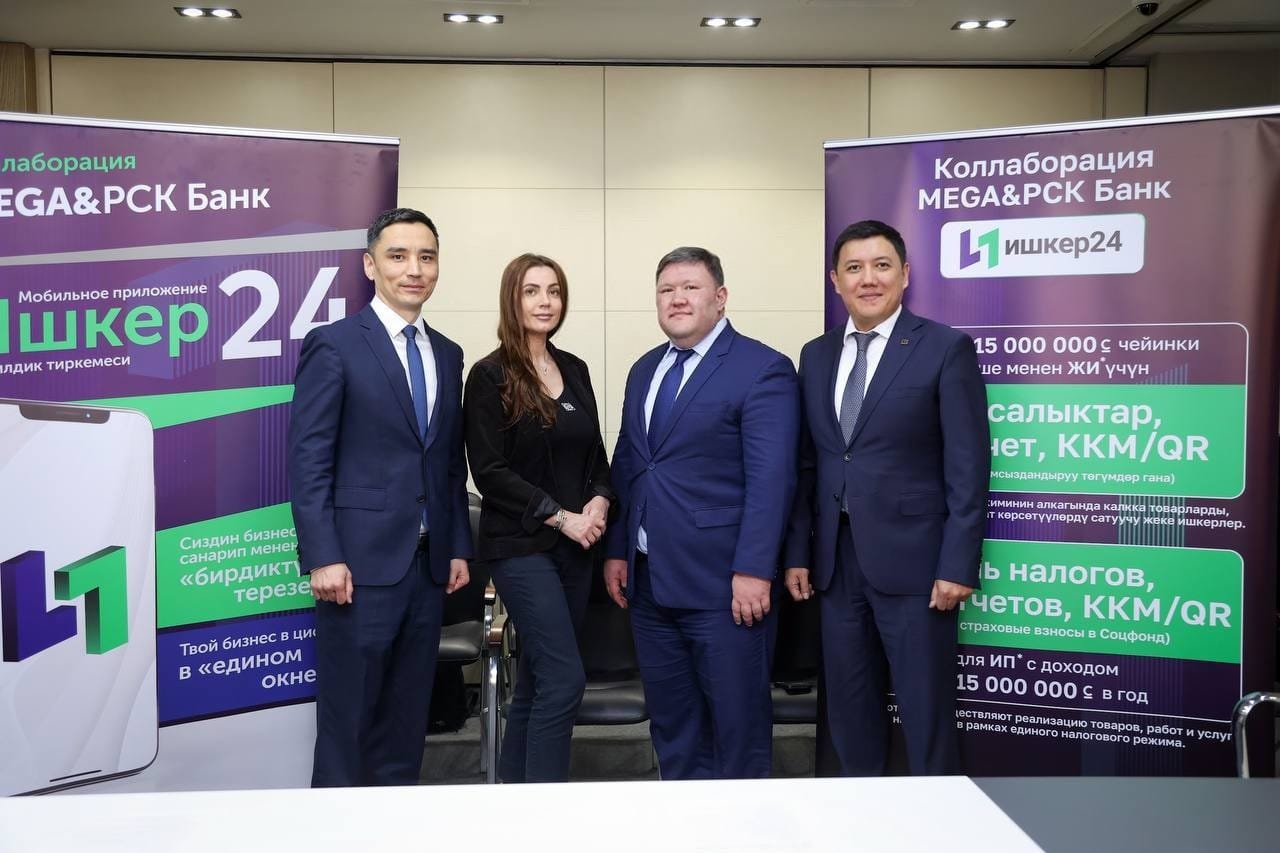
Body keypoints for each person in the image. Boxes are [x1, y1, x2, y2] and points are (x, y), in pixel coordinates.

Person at [783, 219, 989, 776]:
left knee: (925, 713)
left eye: (881, 266)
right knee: (849, 714)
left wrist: (957, 564)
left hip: (918, 566)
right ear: (836, 280)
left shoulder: (944, 348)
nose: (867, 279)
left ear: (905, 274)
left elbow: (968, 467)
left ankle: (938, 815)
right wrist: (798, 552)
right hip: (835, 565)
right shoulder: (816, 355)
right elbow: (810, 463)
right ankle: (860, 815)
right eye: (853, 268)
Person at [288, 207, 472, 787]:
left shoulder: (448, 353)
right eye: (398, 256)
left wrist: (457, 546)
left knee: (406, 724)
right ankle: (332, 830)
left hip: (426, 569)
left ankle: (393, 828)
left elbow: (447, 462)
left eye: (426, 257)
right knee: (348, 724)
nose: (414, 269)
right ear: (370, 266)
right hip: (357, 569)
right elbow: (309, 460)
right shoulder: (335, 345)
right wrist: (322, 555)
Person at [603, 246, 799, 779]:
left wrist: (754, 569)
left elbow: (772, 482)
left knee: (737, 728)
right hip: (649, 586)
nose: (677, 299)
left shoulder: (762, 368)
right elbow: (630, 463)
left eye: (690, 287)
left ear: (720, 296)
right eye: (666, 290)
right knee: (674, 728)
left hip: (726, 586)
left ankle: (744, 823)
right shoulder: (645, 369)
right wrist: (619, 549)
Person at [463, 253, 613, 783]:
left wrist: (600, 500)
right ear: (512, 299)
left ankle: (513, 797)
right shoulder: (489, 375)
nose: (545, 301)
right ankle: (547, 812)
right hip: (520, 547)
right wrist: (560, 517)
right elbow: (489, 471)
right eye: (532, 291)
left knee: (537, 681)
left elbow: (596, 455)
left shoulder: (575, 368)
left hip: (576, 548)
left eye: (554, 291)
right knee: (565, 680)